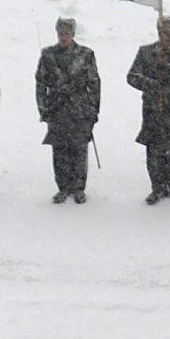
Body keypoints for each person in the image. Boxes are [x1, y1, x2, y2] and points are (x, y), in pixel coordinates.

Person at [35, 15, 102, 202]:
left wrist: (94, 110)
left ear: (73, 34)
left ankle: (79, 188)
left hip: (79, 109)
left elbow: (94, 83)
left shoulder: (85, 54)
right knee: (59, 151)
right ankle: (63, 187)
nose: (64, 36)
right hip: (57, 109)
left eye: (67, 33)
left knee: (79, 150)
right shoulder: (48, 54)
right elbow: (40, 84)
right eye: (61, 33)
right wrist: (43, 109)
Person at [130, 14, 170, 201]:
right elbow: (132, 76)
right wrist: (151, 83)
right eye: (163, 32)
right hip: (154, 109)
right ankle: (157, 187)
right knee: (154, 151)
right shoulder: (145, 52)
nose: (166, 36)